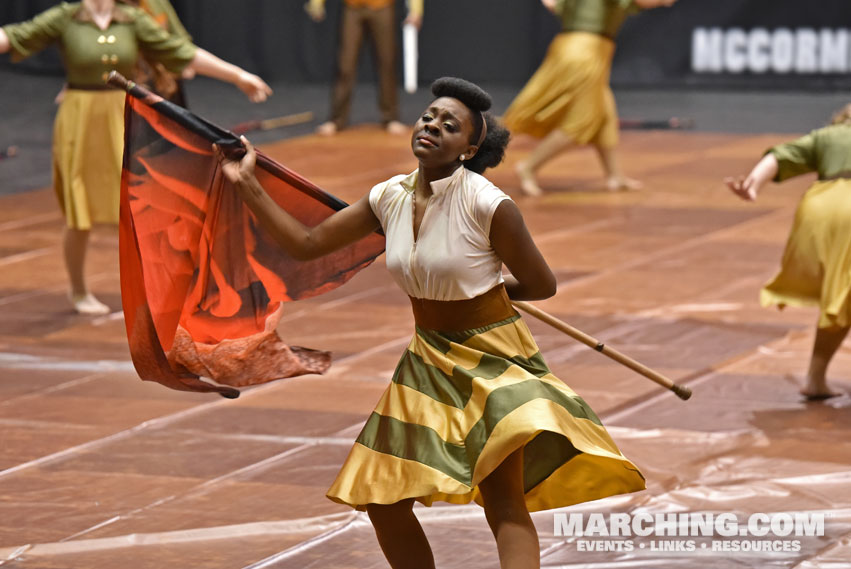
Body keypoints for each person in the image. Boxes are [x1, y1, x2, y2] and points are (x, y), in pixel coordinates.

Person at [216, 77, 645, 568]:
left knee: (502, 499)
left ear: (470, 148)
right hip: (427, 360)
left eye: (450, 125)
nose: (433, 126)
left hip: (492, 358)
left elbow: (541, 284)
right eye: (429, 117)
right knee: (381, 498)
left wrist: (486, 294)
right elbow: (305, 245)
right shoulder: (387, 197)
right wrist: (247, 182)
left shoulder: (489, 204)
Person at [0, 0, 272, 315]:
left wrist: (237, 75)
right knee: (79, 205)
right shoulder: (66, 17)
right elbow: (16, 35)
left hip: (122, 118)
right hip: (80, 119)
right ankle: (78, 290)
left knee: (136, 201)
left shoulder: (131, 20)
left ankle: (154, 288)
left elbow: (181, 51)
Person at [725, 104, 851, 401]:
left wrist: (753, 184)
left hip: (819, 209)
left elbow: (778, 157)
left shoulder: (827, 135)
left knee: (840, 295)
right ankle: (816, 378)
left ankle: (816, 378)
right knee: (843, 295)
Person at [503, 0, 677, 196]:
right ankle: (528, 166)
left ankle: (614, 175)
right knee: (582, 120)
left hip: (580, 49)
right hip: (584, 52)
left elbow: (552, 4)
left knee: (604, 114)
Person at [305, 0, 423, 136]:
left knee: (387, 62)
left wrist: (415, 10)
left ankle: (391, 118)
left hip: (382, 6)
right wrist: (317, 3)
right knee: (345, 64)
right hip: (353, 7)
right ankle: (336, 119)